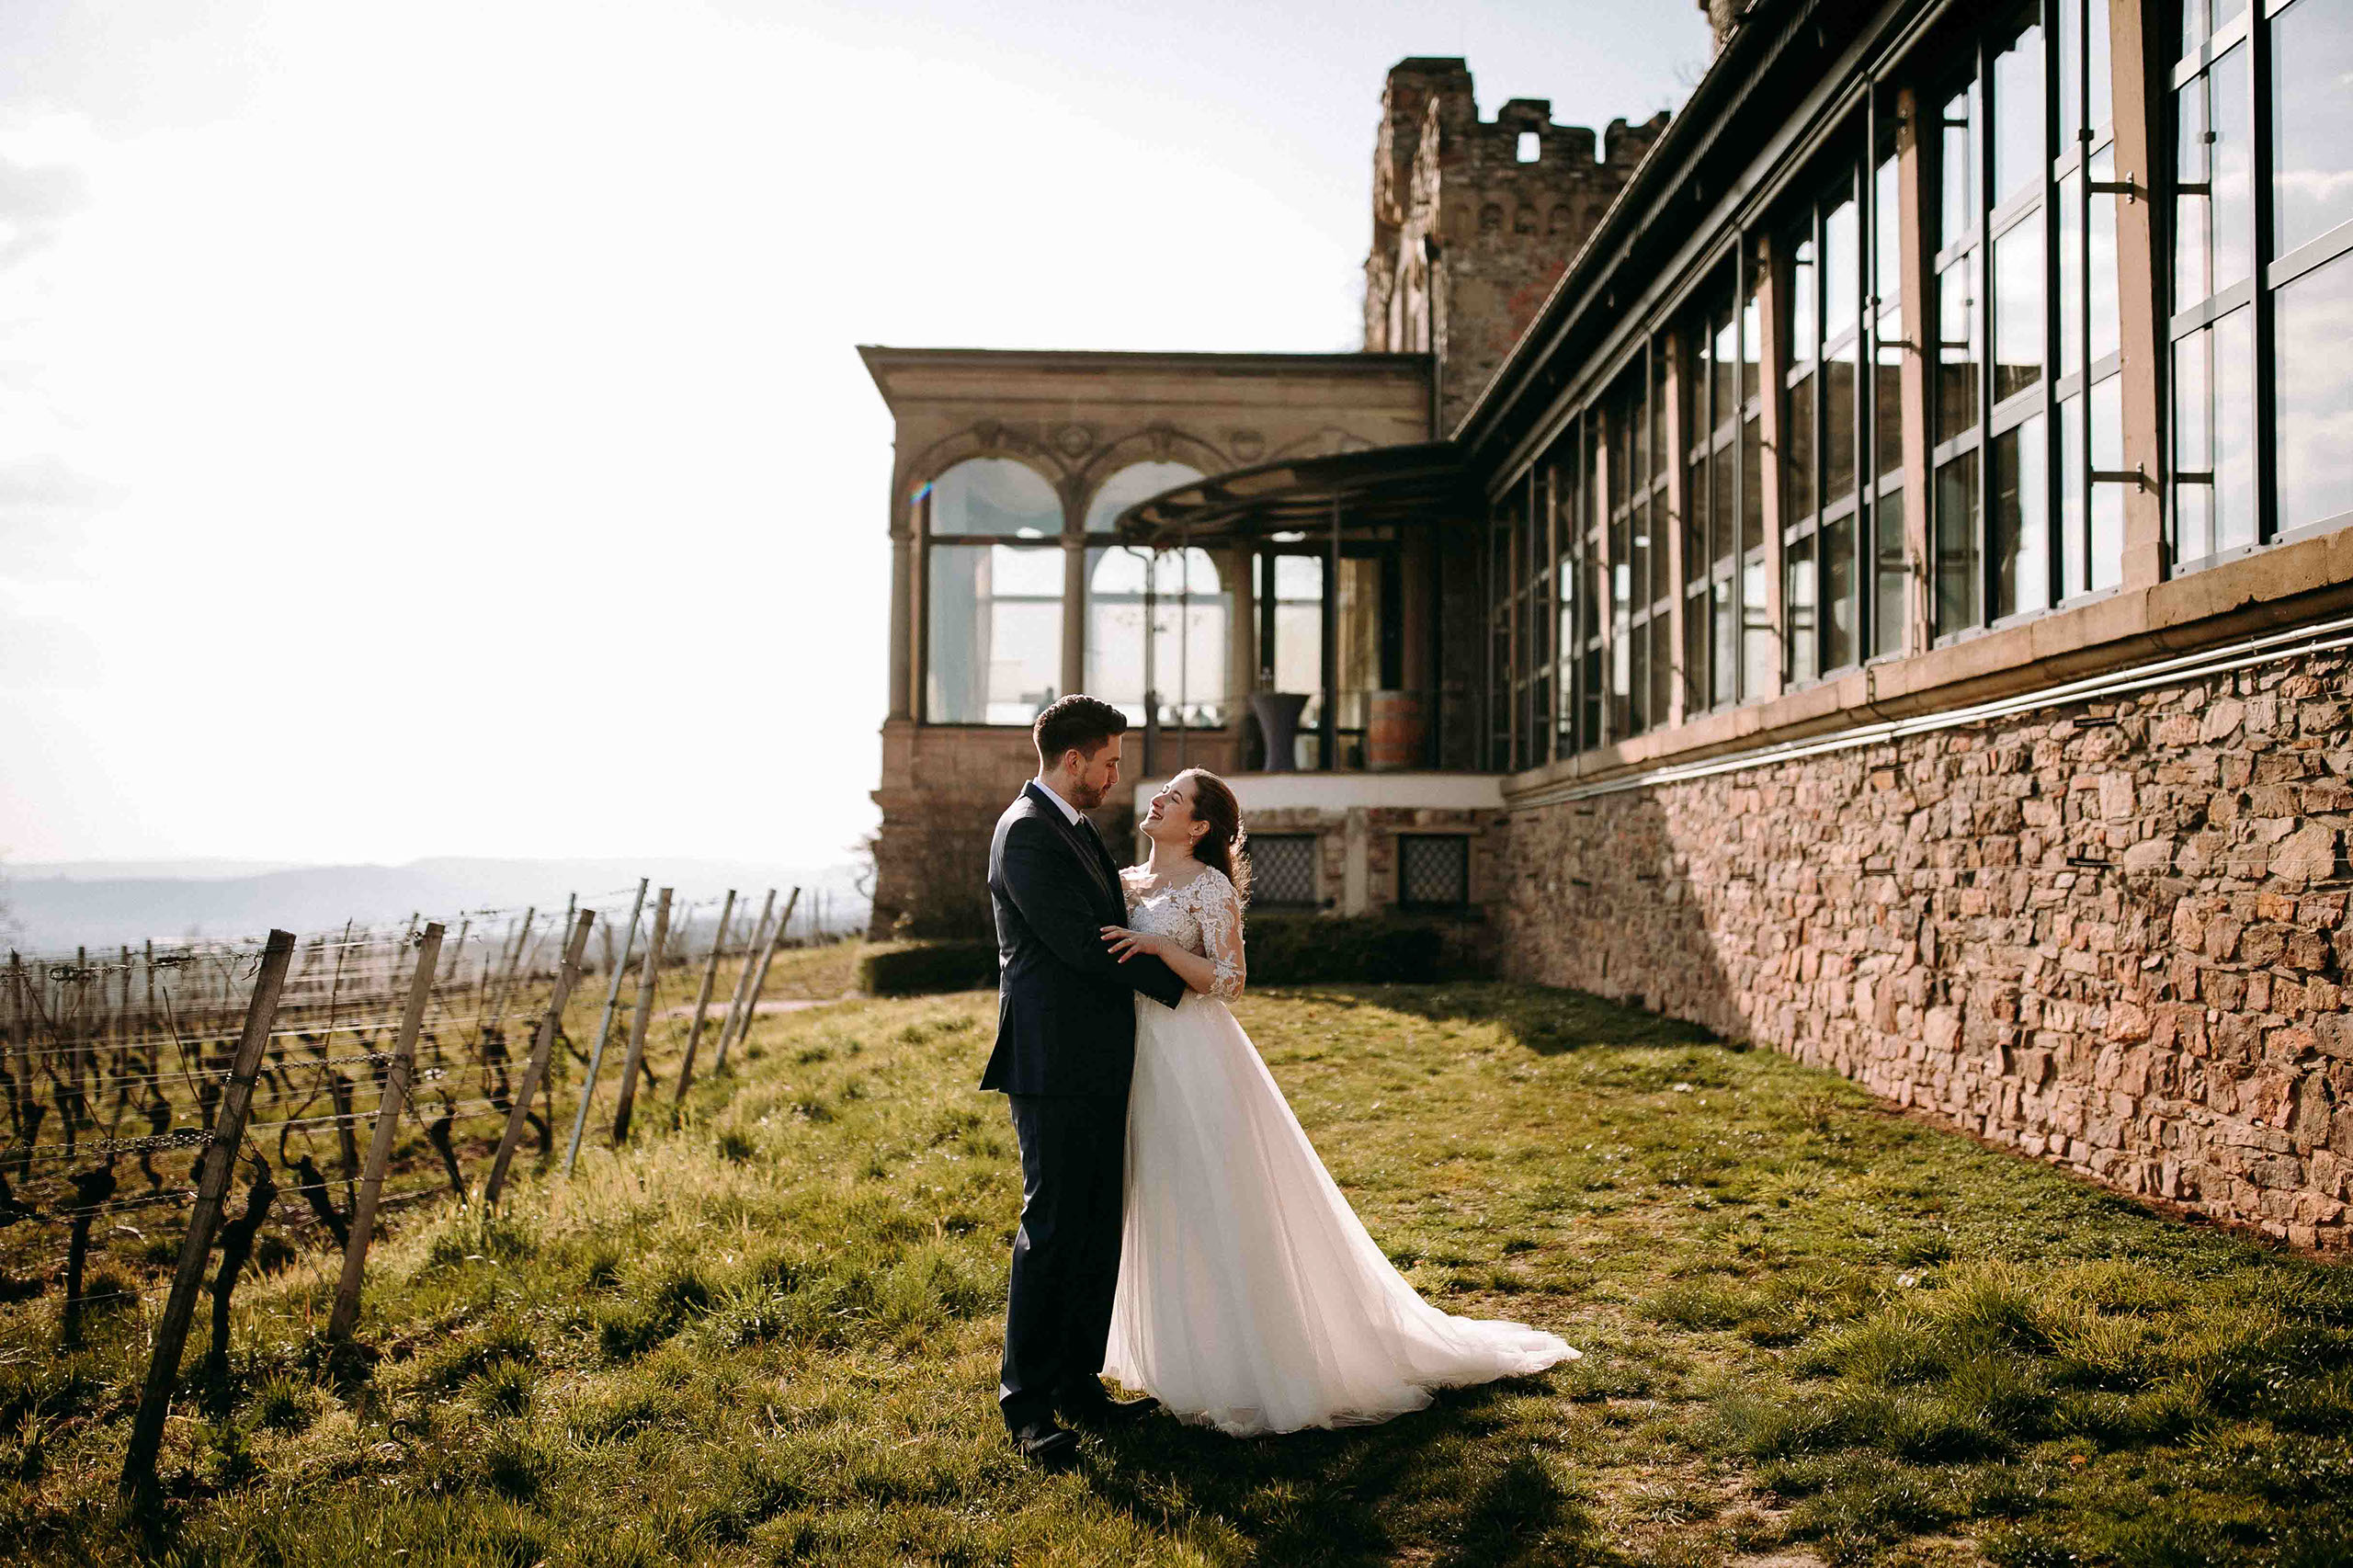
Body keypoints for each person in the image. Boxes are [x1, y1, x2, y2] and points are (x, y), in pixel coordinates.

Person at [1097, 767, 1578, 1436]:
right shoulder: (1121, 881)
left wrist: (1156, 946)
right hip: (1134, 1053)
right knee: (1159, 1195)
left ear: (1199, 827)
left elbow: (1231, 980)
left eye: (1173, 798)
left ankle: (1247, 1361)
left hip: (1193, 1055)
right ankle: (1178, 1358)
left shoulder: (1207, 887)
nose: (1157, 799)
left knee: (1214, 1197)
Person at [983, 694, 1187, 1471]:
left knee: (1099, 1221)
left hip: (1099, 1057)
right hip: (1052, 1060)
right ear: (1074, 760)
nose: (1113, 776)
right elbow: (1081, 945)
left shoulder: (1074, 828)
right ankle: (1027, 1403)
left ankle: (1078, 1380)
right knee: (1056, 1226)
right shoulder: (1028, 835)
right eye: (1108, 762)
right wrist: (1185, 987)